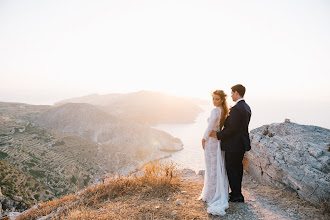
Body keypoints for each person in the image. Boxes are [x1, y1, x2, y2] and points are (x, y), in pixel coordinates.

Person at [210, 84, 251, 203]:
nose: (231, 95)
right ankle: (236, 192)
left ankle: (236, 195)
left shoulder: (237, 108)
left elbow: (232, 128)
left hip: (234, 145)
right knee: (237, 169)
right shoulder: (246, 106)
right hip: (240, 144)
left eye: (232, 93)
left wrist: (218, 135)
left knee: (232, 169)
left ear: (237, 93)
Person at [199, 90, 229, 216]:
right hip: (218, 142)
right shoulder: (224, 110)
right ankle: (216, 192)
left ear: (222, 99)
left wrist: (203, 138)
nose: (214, 101)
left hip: (211, 142)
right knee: (216, 167)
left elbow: (210, 127)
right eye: (213, 99)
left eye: (217, 99)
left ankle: (211, 195)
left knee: (211, 167)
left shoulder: (215, 111)